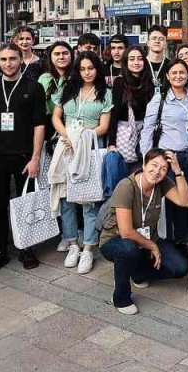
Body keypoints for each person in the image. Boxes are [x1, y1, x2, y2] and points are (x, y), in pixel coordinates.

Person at [99, 149, 188, 315]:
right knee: (128, 249)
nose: (157, 171)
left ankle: (137, 272)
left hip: (147, 240)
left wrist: (178, 171)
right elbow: (126, 232)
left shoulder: (162, 182)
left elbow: (185, 201)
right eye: (154, 165)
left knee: (181, 267)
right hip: (116, 240)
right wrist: (152, 246)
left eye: (163, 168)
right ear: (144, 164)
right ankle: (121, 298)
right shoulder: (126, 186)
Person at [0, 44, 48, 274]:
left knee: (25, 203)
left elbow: (39, 125)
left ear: (21, 59)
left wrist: (36, 157)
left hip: (25, 156)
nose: (8, 63)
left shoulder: (34, 87)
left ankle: (26, 247)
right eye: (3, 59)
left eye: (12, 58)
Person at [50, 50, 113, 274]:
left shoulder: (105, 93)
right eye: (83, 68)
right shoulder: (67, 89)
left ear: (97, 69)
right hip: (66, 146)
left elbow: (104, 126)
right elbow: (56, 117)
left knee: (89, 199)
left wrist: (82, 137)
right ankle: (72, 244)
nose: (87, 72)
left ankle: (88, 247)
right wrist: (67, 135)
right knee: (66, 199)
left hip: (89, 146)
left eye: (91, 68)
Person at [141, 58, 188, 244]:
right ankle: (167, 243)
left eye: (182, 72)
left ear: (187, 74)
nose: (178, 76)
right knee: (169, 202)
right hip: (169, 158)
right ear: (167, 76)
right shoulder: (160, 100)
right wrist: (147, 160)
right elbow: (147, 130)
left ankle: (183, 242)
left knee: (186, 202)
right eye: (174, 73)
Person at [109, 46, 155, 164]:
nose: (136, 62)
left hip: (146, 133)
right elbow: (114, 114)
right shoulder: (120, 82)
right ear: (126, 62)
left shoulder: (149, 82)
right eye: (132, 59)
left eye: (140, 59)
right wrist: (111, 143)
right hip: (125, 133)